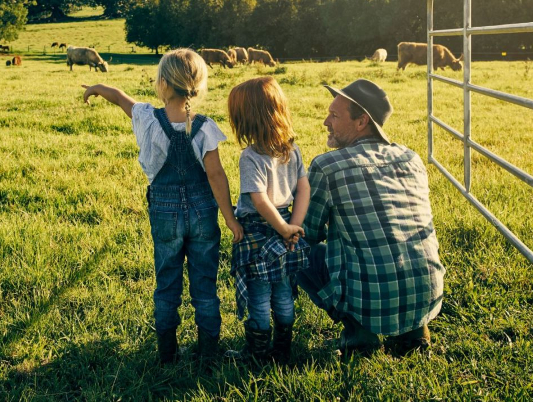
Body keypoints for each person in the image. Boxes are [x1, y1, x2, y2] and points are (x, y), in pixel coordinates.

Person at [81, 48, 243, 364]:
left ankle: (167, 354)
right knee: (205, 285)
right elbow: (216, 174)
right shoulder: (205, 126)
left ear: (163, 83)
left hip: (164, 212)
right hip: (202, 212)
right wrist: (230, 219)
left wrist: (97, 89)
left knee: (167, 282)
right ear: (198, 84)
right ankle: (209, 353)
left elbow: (119, 98)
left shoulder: (146, 117)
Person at [295, 78, 445, 355]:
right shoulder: (411, 158)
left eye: (334, 116)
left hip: (372, 301)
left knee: (295, 248)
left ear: (361, 121)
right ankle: (414, 331)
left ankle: (359, 332)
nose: (326, 122)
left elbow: (308, 233)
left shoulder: (328, 166)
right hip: (428, 295)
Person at [225, 76, 309, 363]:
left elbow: (259, 201)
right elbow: (303, 188)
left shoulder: (250, 156)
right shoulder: (292, 149)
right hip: (286, 226)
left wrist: (284, 228)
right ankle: (282, 349)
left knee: (259, 296)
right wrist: (292, 226)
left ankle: (257, 353)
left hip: (259, 233)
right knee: (284, 291)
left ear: (246, 119)